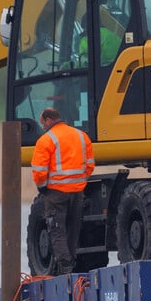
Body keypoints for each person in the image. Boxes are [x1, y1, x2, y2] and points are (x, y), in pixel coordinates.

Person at [31, 107, 95, 275]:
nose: (42, 126)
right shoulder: (82, 136)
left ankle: (65, 266)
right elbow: (89, 165)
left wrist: (42, 185)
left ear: (48, 120)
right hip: (78, 191)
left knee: (56, 229)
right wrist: (79, 182)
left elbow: (39, 170)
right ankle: (71, 262)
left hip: (56, 192)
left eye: (42, 123)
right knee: (73, 228)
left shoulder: (46, 140)